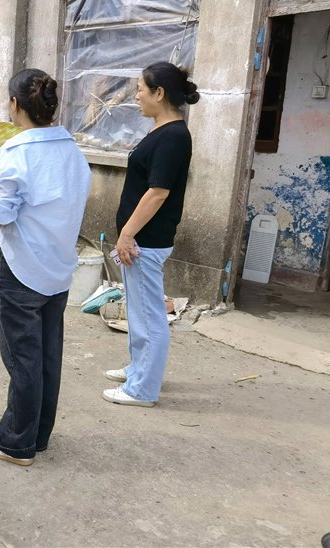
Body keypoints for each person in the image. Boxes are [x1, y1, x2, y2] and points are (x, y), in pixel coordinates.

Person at [0, 69, 91, 467]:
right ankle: (39, 434)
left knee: (23, 357)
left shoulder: (16, 151)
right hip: (58, 267)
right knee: (46, 354)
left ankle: (16, 442)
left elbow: (0, 214)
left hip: (22, 267)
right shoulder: (72, 151)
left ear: (15, 105)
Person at [104, 62, 198, 408]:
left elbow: (158, 192)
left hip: (146, 240)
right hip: (139, 240)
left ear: (160, 93)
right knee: (139, 312)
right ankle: (138, 370)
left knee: (150, 316)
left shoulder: (174, 136)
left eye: (141, 90)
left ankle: (142, 389)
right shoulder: (162, 131)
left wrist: (127, 234)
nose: (137, 96)